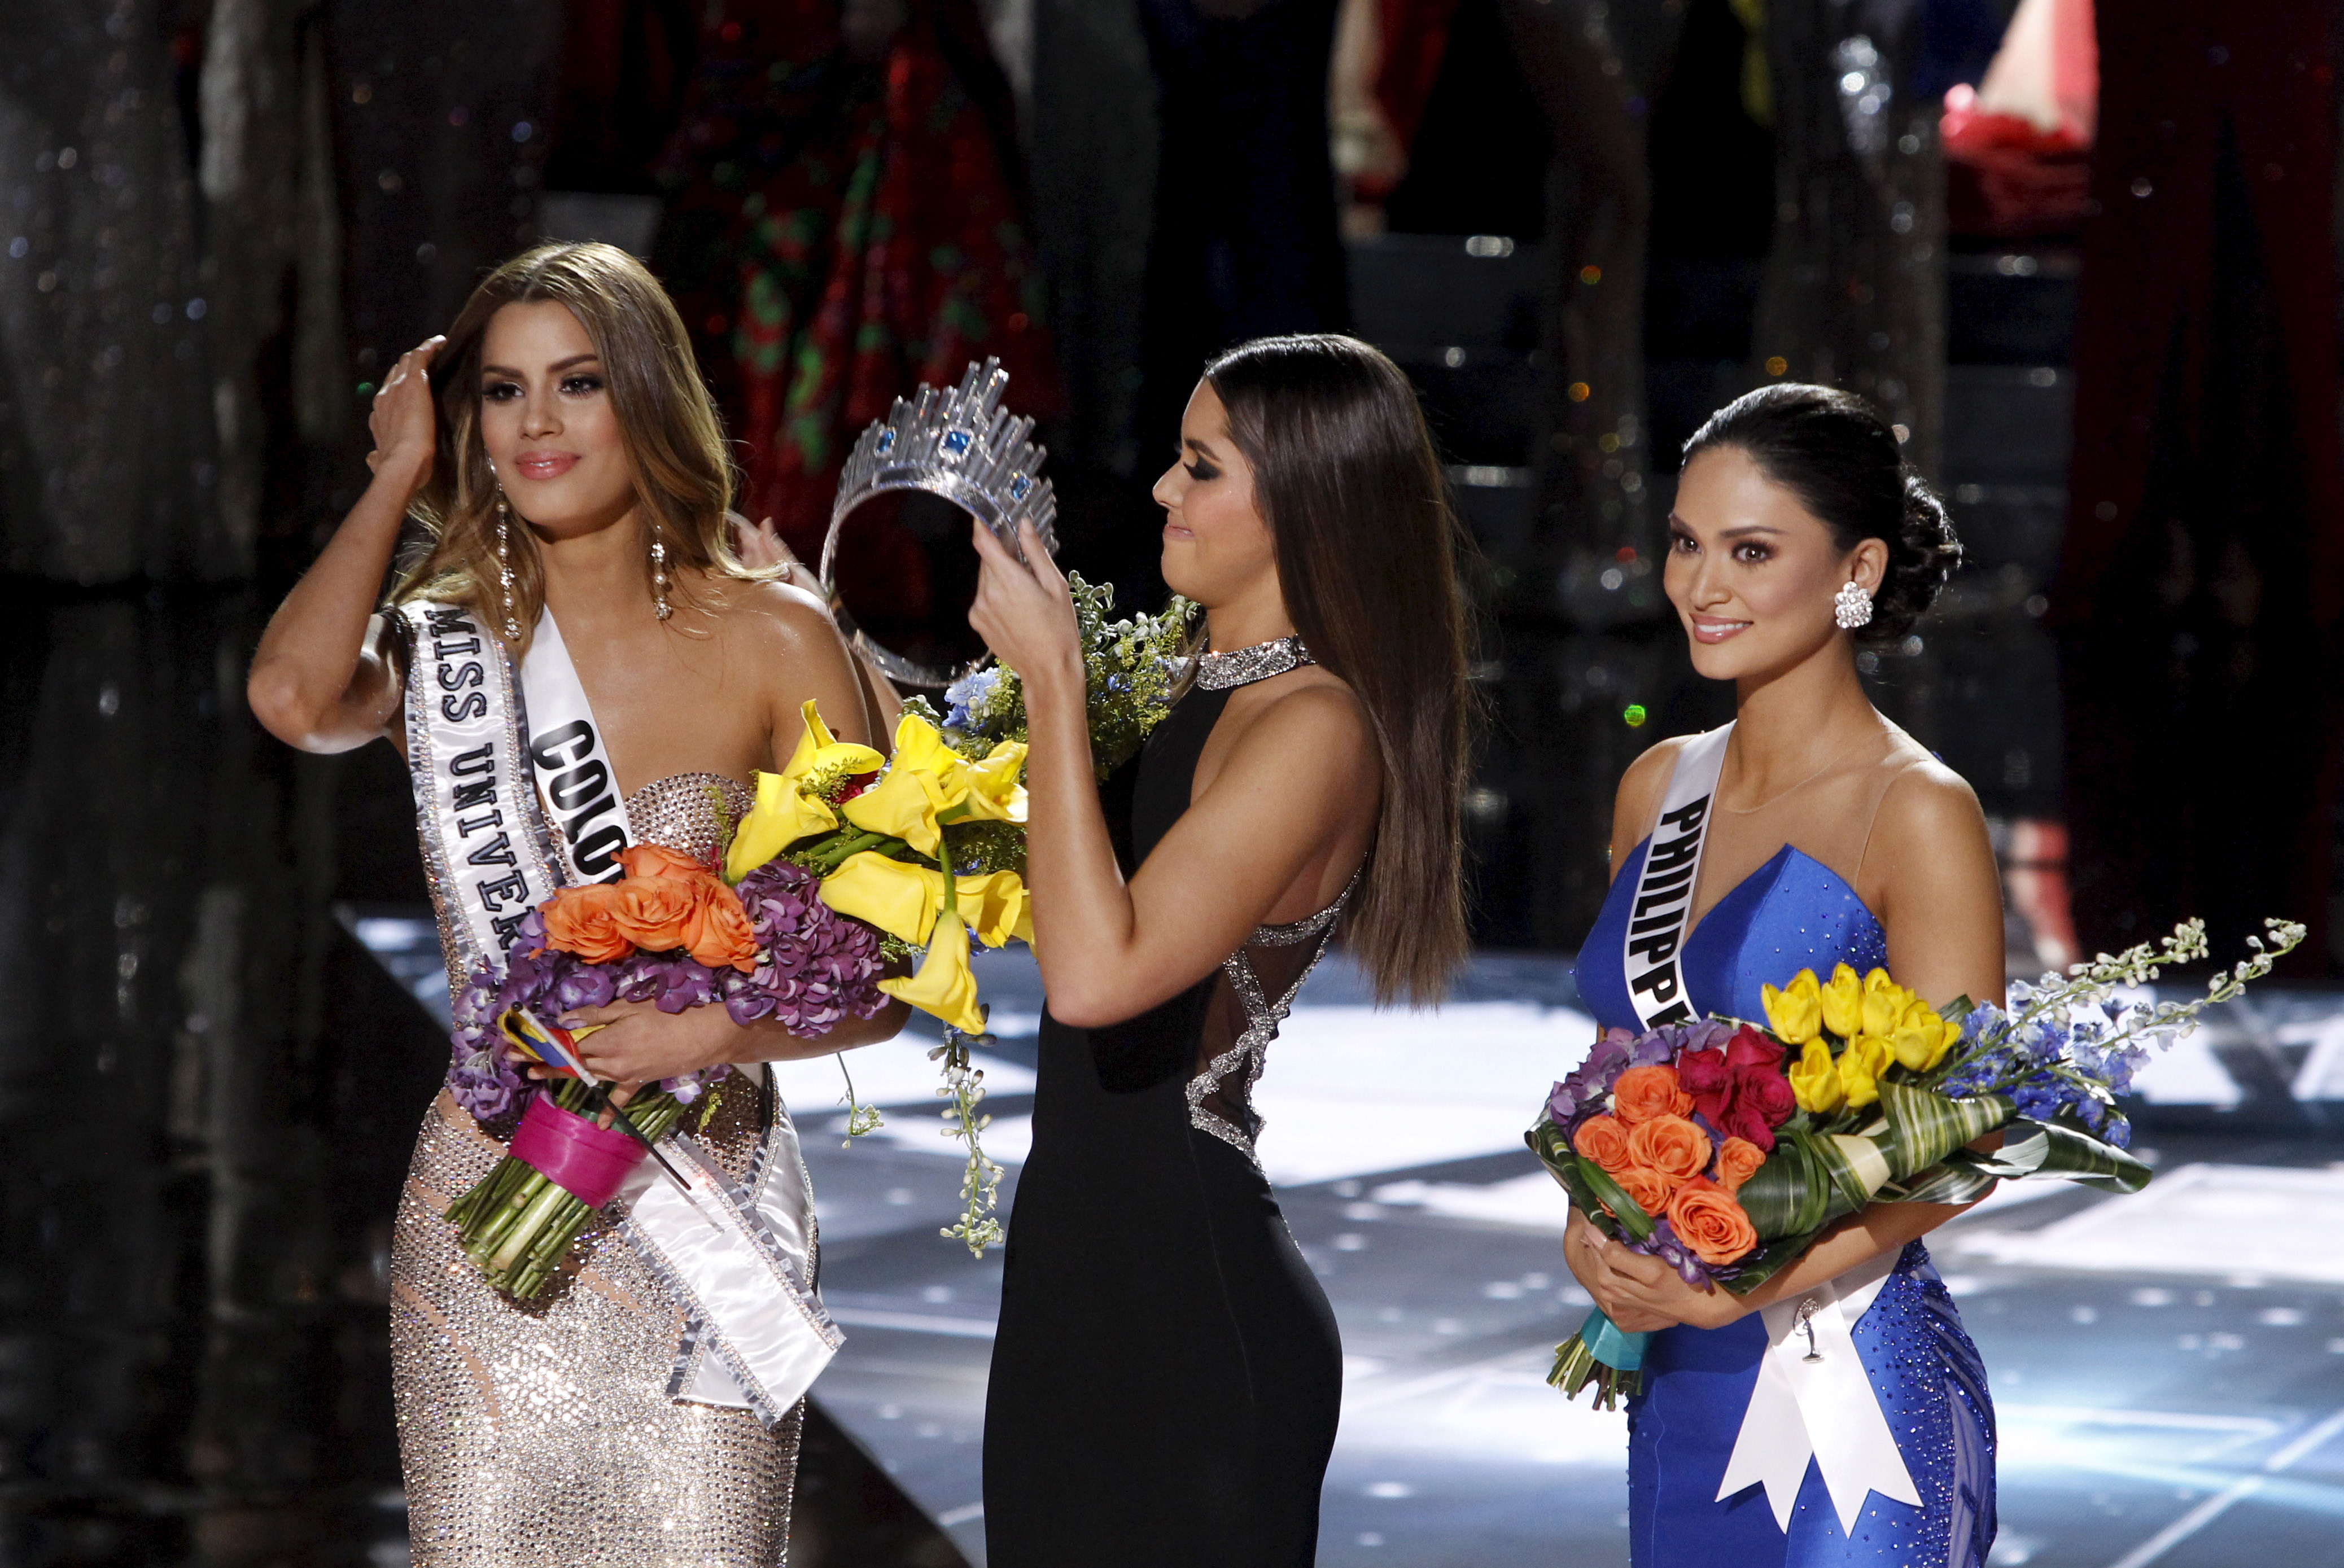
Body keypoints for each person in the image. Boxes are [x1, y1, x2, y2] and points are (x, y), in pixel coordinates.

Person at [245, 242, 904, 1565]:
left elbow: (885, 966)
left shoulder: (776, 636)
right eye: (501, 392)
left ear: (645, 398)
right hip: (491, 1220)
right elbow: (292, 698)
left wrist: (709, 1036)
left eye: (578, 383)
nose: (536, 423)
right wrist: (393, 480)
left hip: (700, 1217)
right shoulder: (449, 644)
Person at [966, 333, 1476, 1566]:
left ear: (1304, 501)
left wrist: (1049, 687)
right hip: (1076, 1286)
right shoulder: (1188, 681)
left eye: (1201, 469)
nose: (1161, 492)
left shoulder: (1312, 726)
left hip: (1187, 1314)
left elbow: (1097, 980)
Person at [1565, 383, 1999, 1565]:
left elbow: (1969, 1142)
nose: (1704, 587)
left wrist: (1746, 1288)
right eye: (1688, 544)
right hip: (1680, 1369)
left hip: (1851, 1379)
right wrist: (1591, 1215)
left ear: (1855, 567)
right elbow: (1619, 1070)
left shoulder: (1916, 812)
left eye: (1752, 552)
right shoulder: (1658, 787)